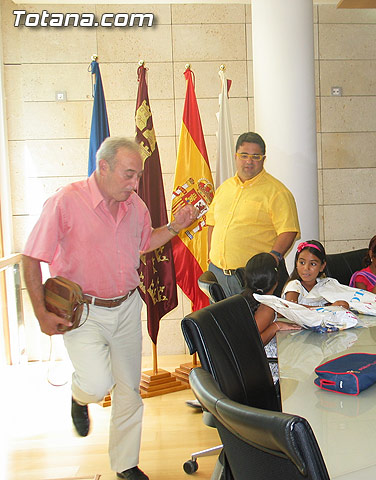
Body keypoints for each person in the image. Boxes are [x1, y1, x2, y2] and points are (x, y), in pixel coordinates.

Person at [22, 137, 198, 480]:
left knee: (129, 389)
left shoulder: (136, 207)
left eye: (138, 176)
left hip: (128, 308)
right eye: (128, 175)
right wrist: (40, 312)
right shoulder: (65, 202)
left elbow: (145, 243)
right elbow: (31, 257)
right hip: (83, 312)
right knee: (97, 384)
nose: (135, 185)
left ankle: (125, 464)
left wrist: (177, 226)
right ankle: (79, 394)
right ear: (103, 167)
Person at [206, 132, 300, 298]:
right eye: (244, 155)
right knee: (222, 324)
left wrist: (273, 259)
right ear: (236, 156)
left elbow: (288, 230)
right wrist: (210, 256)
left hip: (252, 279)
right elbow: (212, 223)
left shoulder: (277, 192)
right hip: (218, 275)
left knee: (254, 323)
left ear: (263, 159)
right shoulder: (224, 188)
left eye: (255, 156)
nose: (249, 161)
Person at [242, 253, 301, 378]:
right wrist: (276, 326)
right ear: (276, 281)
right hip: (267, 369)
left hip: (261, 363)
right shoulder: (266, 308)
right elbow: (252, 343)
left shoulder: (251, 297)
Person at [282, 240, 349, 308]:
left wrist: (337, 305)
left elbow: (329, 303)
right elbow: (291, 308)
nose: (306, 268)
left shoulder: (324, 284)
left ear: (322, 266)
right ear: (296, 263)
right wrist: (328, 308)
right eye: (302, 262)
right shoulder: (294, 285)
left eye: (313, 264)